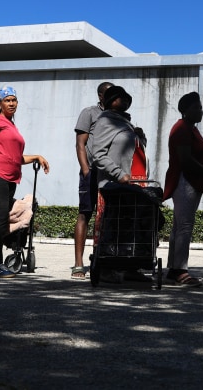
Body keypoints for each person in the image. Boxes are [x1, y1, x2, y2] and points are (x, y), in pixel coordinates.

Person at [0, 86, 50, 278]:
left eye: (14, 100)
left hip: (8, 178)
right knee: (0, 221)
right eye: (7, 100)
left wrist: (36, 157)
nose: (11, 103)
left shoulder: (11, 125)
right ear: (0, 103)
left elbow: (15, 157)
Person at [90, 85, 152, 283]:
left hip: (133, 185)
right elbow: (97, 154)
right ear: (110, 101)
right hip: (115, 185)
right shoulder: (106, 121)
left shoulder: (126, 123)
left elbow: (132, 151)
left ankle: (130, 267)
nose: (124, 101)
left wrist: (140, 137)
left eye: (126, 98)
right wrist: (119, 174)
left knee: (132, 227)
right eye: (119, 98)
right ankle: (106, 268)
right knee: (114, 225)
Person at [163, 92, 203, 287]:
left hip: (190, 180)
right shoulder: (182, 129)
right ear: (185, 110)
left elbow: (195, 154)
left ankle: (173, 269)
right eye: (196, 108)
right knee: (184, 227)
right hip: (184, 181)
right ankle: (181, 271)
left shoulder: (190, 129)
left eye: (201, 107)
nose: (200, 111)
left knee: (179, 227)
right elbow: (185, 160)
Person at [72, 81, 114, 279]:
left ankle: (105, 261)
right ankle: (78, 264)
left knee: (108, 217)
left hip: (110, 174)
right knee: (85, 214)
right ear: (100, 96)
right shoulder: (89, 113)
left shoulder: (117, 117)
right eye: (108, 94)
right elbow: (80, 144)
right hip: (91, 172)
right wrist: (86, 170)